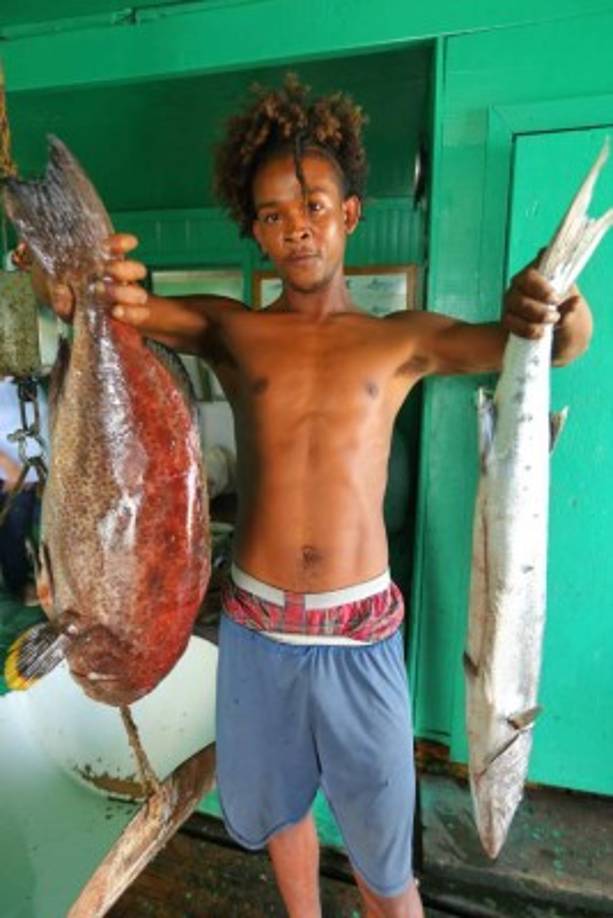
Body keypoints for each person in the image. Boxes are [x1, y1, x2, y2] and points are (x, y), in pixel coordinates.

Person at [43, 77, 592, 918]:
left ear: (349, 214)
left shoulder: (399, 340)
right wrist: (85, 282)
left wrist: (556, 305)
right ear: (255, 231)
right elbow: (129, 309)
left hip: (357, 635)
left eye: (312, 203)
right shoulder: (233, 328)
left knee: (383, 859)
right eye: (270, 213)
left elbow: (547, 349)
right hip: (256, 629)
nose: (294, 224)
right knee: (279, 811)